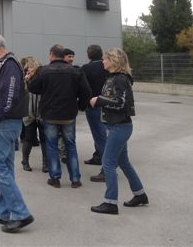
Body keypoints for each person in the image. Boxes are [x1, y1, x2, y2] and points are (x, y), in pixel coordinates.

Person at [0, 34, 33, 233]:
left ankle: (20, 213)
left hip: (2, 123)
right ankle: (2, 210)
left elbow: (9, 93)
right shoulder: (4, 64)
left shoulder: (8, 64)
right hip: (5, 122)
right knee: (5, 168)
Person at [90, 47, 148, 215]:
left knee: (108, 162)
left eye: (105, 59)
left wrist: (98, 100)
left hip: (119, 127)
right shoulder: (115, 78)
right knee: (123, 162)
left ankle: (110, 203)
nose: (103, 61)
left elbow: (120, 103)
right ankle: (140, 194)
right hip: (118, 126)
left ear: (113, 61)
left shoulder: (120, 79)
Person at [27, 44, 91, 189]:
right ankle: (75, 179)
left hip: (49, 115)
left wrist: (32, 80)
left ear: (51, 55)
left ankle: (55, 178)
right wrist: (80, 106)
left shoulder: (44, 71)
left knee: (52, 146)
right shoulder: (75, 71)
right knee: (71, 145)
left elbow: (32, 88)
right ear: (63, 56)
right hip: (69, 114)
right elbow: (86, 91)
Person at [81, 44, 110, 182]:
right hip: (109, 105)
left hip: (93, 105)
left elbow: (83, 88)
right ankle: (98, 157)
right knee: (104, 135)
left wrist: (81, 103)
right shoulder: (108, 67)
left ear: (89, 55)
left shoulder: (86, 68)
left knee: (100, 136)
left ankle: (106, 170)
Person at [20, 56, 46, 172]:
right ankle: (25, 161)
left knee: (44, 139)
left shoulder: (43, 78)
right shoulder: (24, 80)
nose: (28, 70)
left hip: (42, 113)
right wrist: (25, 81)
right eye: (27, 68)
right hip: (28, 113)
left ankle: (46, 163)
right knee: (28, 138)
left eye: (30, 68)